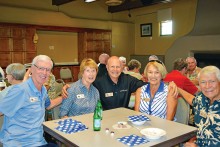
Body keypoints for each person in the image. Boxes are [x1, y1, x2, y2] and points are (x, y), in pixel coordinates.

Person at [0, 55, 65, 147]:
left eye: (48, 69)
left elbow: (49, 105)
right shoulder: (20, 90)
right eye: (41, 68)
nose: (44, 73)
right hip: (19, 143)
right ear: (31, 69)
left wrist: (64, 96)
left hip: (38, 142)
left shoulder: (42, 89)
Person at [62, 56, 146, 110]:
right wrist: (68, 87)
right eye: (112, 67)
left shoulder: (128, 80)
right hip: (105, 120)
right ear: (107, 67)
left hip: (123, 120)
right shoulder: (98, 82)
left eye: (118, 67)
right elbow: (83, 83)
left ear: (122, 68)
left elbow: (144, 86)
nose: (115, 70)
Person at [178, 66, 220, 147]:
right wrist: (178, 89)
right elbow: (193, 100)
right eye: (203, 82)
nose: (207, 86)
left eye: (212, 81)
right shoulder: (201, 98)